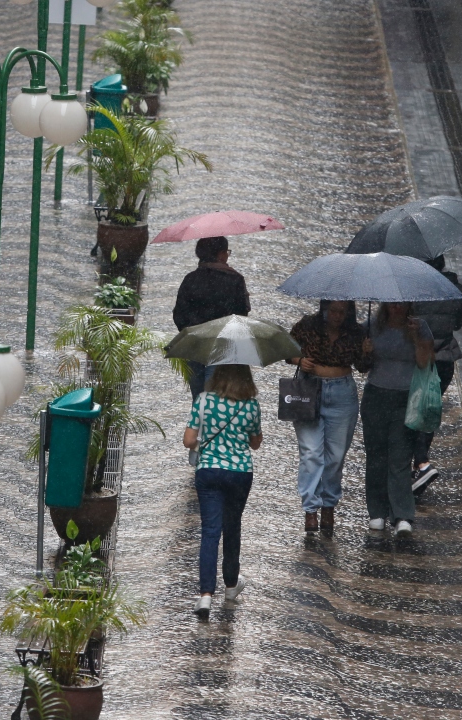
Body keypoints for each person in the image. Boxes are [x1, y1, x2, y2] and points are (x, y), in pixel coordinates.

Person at [182, 364, 262, 621]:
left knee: (210, 531)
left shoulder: (203, 401)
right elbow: (255, 443)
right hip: (240, 472)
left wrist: (204, 440)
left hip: (208, 471)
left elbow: (188, 440)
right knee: (232, 526)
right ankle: (230, 586)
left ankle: (205, 594)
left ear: (217, 375)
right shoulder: (250, 405)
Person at [288, 300, 370, 536]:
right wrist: (298, 360)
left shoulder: (356, 332)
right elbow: (286, 349)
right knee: (311, 452)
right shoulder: (307, 326)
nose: (336, 315)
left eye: (341, 312)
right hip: (309, 390)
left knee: (335, 457)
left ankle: (328, 504)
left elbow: (363, 367)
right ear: (324, 309)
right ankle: (311, 509)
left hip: (342, 393)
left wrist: (367, 352)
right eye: (332, 310)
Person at [360, 302, 433, 537]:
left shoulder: (419, 327)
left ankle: (402, 514)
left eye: (401, 303)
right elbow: (360, 367)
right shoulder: (372, 326)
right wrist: (364, 351)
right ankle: (377, 512)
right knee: (376, 456)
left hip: (406, 399)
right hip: (376, 397)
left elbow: (425, 362)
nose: (396, 307)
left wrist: (414, 338)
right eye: (392, 303)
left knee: (401, 457)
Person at [410, 255, 462, 495]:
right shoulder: (456, 289)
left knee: (412, 411)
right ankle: (419, 465)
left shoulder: (412, 289)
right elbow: (459, 323)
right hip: (444, 360)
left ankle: (421, 463)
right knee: (428, 409)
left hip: (419, 360)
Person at [173, 236, 251, 399]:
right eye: (227, 252)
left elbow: (179, 315)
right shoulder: (234, 279)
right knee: (215, 396)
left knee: (198, 396)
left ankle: (198, 422)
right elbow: (242, 314)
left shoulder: (190, 279)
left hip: (194, 346)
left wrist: (193, 329)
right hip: (223, 347)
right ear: (221, 254)